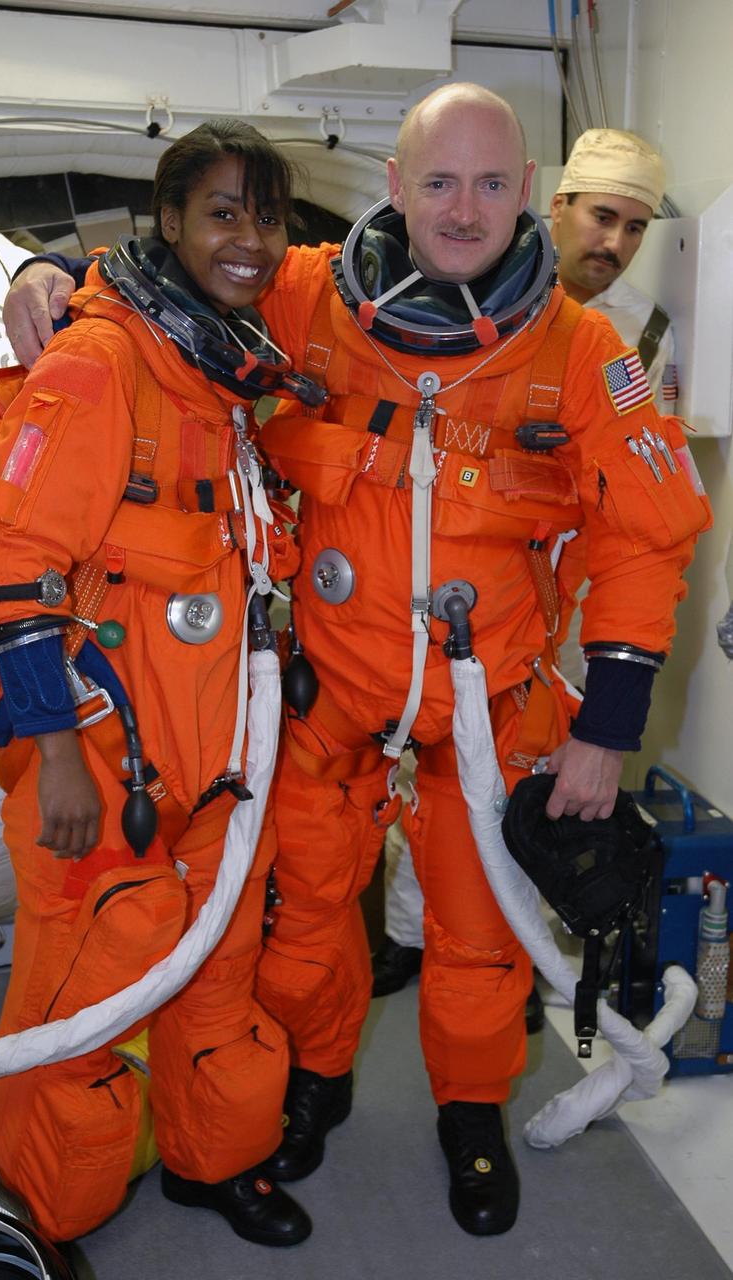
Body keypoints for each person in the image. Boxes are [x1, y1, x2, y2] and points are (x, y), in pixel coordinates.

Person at [4, 84, 709, 1238]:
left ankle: (470, 1115)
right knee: (302, 913)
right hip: (326, 690)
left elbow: (646, 536)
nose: (462, 208)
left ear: (525, 192)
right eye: (438, 181)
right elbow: (171, 283)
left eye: (489, 184)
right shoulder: (306, 293)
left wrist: (606, 726)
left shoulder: (578, 353)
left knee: (479, 928)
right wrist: (43, 271)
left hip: (487, 700)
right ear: (395, 185)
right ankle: (314, 1078)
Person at [0, 119, 318, 1249]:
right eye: (222, 212)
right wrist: (54, 751)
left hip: (215, 759)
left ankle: (217, 1162)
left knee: (219, 973)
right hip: (103, 761)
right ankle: (34, 1222)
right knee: (81, 1003)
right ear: (167, 221)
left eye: (267, 217)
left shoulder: (221, 372)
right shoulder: (100, 362)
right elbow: (5, 563)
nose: (248, 239)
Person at [376, 126, 678, 1013]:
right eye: (600, 217)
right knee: (423, 778)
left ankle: (511, 949)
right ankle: (405, 935)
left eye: (633, 228)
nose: (612, 243)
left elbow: (641, 510)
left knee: (516, 792)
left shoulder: (630, 342)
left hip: (566, 608)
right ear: (551, 205)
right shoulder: (452, 300)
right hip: (455, 595)